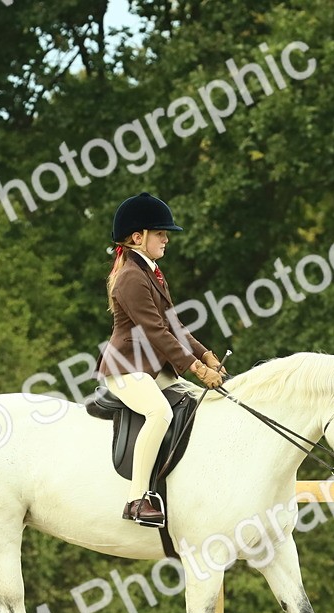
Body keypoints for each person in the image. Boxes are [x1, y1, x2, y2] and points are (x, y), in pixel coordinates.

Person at [97, 192, 227, 526]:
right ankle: (137, 499)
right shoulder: (130, 277)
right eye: (160, 233)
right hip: (126, 367)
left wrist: (206, 354)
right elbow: (156, 332)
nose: (166, 238)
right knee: (159, 412)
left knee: (199, 401)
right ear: (138, 238)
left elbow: (175, 325)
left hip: (151, 367)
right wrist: (196, 368)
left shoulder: (152, 272)